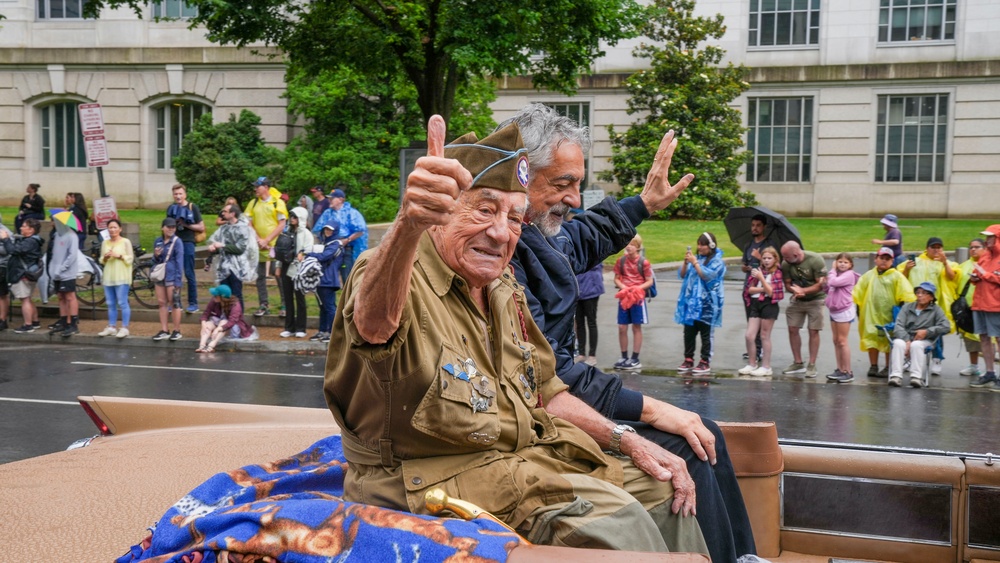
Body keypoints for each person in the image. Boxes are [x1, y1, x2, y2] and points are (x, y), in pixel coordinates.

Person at [325, 118, 708, 556]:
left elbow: (545, 386)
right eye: (484, 210)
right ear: (440, 214)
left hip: (517, 459)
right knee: (618, 522)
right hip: (422, 479)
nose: (501, 232)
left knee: (664, 493)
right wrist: (408, 224)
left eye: (514, 217)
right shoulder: (395, 271)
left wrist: (629, 440)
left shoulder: (501, 286)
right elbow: (373, 325)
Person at [501, 104, 756, 563]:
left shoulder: (536, 233)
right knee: (689, 447)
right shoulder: (500, 254)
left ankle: (742, 557)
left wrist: (643, 204)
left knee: (704, 431)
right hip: (538, 417)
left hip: (553, 399)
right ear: (518, 176)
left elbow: (578, 240)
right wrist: (652, 410)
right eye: (563, 185)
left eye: (578, 184)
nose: (577, 200)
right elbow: (549, 375)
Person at [898, 236, 959, 375]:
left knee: (935, 331)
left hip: (935, 304)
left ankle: (937, 359)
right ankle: (910, 359)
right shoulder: (916, 262)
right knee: (912, 330)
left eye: (939, 247)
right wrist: (907, 269)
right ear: (927, 248)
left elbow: (953, 277)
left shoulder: (946, 263)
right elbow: (901, 278)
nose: (936, 250)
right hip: (915, 303)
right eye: (933, 247)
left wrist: (945, 263)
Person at [853, 246, 915, 379]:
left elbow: (906, 294)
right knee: (871, 338)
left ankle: (888, 366)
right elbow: (858, 293)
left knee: (889, 340)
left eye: (887, 259)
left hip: (889, 314)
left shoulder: (897, 276)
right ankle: (873, 365)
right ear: (876, 259)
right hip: (870, 313)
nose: (884, 261)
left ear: (892, 261)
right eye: (882, 258)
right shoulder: (868, 276)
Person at [676, 232, 727, 376]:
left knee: (706, 334)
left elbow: (707, 276)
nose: (699, 247)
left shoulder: (717, 262)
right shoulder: (696, 259)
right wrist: (686, 263)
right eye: (698, 244)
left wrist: (695, 263)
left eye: (702, 244)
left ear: (711, 245)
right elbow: (682, 275)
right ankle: (688, 358)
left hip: (708, 305)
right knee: (689, 333)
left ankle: (705, 361)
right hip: (691, 303)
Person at [888, 282, 952, 388]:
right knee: (898, 343)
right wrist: (907, 340)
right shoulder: (907, 307)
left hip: (925, 340)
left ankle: (916, 377)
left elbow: (946, 326)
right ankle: (896, 376)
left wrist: (927, 331)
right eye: (918, 292)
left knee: (916, 345)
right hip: (906, 337)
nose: (919, 295)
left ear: (931, 297)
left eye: (924, 293)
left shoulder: (936, 310)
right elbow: (898, 325)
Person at [780, 241, 828, 377]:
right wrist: (795, 291)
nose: (785, 260)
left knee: (813, 331)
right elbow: (787, 283)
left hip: (816, 299)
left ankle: (812, 364)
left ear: (796, 254)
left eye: (787, 257)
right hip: (797, 299)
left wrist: (804, 291)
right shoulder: (786, 264)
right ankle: (798, 362)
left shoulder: (815, 260)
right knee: (792, 328)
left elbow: (821, 285)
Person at [244, 177, 287, 317]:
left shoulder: (277, 203)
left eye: (258, 186)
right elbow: (248, 222)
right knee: (260, 276)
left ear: (266, 187)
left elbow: (282, 224)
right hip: (258, 246)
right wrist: (258, 239)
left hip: (275, 246)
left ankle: (285, 305)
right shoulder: (253, 203)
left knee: (279, 275)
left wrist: (267, 239)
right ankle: (263, 304)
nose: (255, 189)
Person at [738, 246, 783, 377]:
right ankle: (752, 363)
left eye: (769, 258)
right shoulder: (758, 271)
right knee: (749, 335)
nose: (767, 261)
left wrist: (762, 279)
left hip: (769, 305)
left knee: (764, 335)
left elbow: (772, 293)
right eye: (764, 258)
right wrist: (762, 288)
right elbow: (750, 290)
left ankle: (766, 366)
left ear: (775, 259)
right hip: (756, 303)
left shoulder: (777, 272)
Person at [613, 235, 653, 370]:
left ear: (638, 247)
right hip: (624, 297)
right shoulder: (621, 261)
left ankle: (635, 358)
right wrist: (624, 287)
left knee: (636, 327)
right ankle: (624, 356)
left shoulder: (644, 262)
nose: (628, 246)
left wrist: (637, 288)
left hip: (637, 298)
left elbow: (649, 281)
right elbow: (617, 278)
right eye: (627, 243)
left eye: (632, 244)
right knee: (622, 327)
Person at [206, 203, 255, 311]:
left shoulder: (243, 228)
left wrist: (222, 245)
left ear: (232, 214)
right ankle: (226, 319)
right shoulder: (224, 228)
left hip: (237, 267)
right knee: (224, 294)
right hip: (223, 266)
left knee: (236, 294)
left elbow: (240, 249)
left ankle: (238, 321)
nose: (222, 213)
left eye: (225, 211)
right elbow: (218, 243)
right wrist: (213, 247)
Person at [312, 187, 368, 281]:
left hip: (345, 249)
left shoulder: (352, 213)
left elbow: (361, 230)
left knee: (347, 276)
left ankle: (349, 294)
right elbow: (318, 230)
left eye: (332, 198)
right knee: (327, 277)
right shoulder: (327, 213)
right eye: (329, 198)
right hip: (330, 250)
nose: (329, 200)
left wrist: (347, 240)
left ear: (341, 199)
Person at [166, 183, 205, 314]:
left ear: (185, 194)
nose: (178, 196)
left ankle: (193, 303)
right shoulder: (171, 208)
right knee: (175, 274)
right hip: (174, 242)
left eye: (180, 193)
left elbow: (201, 227)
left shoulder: (192, 207)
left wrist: (185, 224)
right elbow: (167, 226)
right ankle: (175, 303)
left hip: (188, 242)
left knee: (189, 273)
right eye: (176, 194)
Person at [969, 225, 1000, 390]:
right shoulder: (985, 256)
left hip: (996, 305)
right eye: (986, 237)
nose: (987, 240)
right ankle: (989, 372)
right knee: (984, 338)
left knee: (999, 339)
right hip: (980, 303)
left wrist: (987, 276)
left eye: (990, 237)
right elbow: (977, 273)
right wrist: (975, 277)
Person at [0, 218, 43, 333]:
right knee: (27, 298)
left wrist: (6, 239)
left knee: (24, 299)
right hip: (27, 272)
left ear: (31, 230)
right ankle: (35, 321)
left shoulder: (30, 242)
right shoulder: (31, 240)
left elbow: (13, 250)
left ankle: (28, 324)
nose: (21, 228)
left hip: (22, 273)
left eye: (24, 226)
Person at [276, 207, 314, 338]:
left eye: (295, 217)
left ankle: (301, 327)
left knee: (300, 298)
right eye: (291, 216)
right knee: (287, 298)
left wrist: (302, 253)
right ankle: (289, 327)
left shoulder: (306, 234)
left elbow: (310, 249)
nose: (292, 219)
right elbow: (280, 249)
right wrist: (278, 265)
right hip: (287, 267)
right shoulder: (287, 232)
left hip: (300, 269)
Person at [741, 214, 772, 363]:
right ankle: (752, 348)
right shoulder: (748, 245)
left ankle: (758, 351)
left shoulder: (769, 245)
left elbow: (773, 266)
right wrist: (745, 267)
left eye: (758, 225)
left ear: (764, 227)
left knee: (760, 322)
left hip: (762, 288)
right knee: (751, 320)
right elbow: (744, 264)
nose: (754, 228)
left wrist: (760, 257)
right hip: (749, 287)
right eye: (753, 225)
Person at [306, 218, 343, 343]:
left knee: (329, 307)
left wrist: (309, 254)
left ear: (335, 231)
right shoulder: (325, 243)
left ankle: (332, 333)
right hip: (320, 279)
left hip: (329, 280)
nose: (327, 231)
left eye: (330, 229)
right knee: (322, 307)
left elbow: (324, 256)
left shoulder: (336, 244)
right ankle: (322, 331)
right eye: (326, 229)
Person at [825, 253, 861, 383]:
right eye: (840, 261)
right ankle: (840, 369)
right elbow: (829, 287)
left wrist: (832, 270)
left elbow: (833, 282)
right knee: (836, 341)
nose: (842, 264)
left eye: (845, 262)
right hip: (834, 309)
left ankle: (848, 371)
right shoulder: (837, 274)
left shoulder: (848, 275)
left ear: (850, 265)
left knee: (842, 341)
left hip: (844, 310)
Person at [97, 218, 133, 339]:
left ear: (120, 229)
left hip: (122, 276)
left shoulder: (125, 242)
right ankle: (111, 326)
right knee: (111, 303)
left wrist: (119, 256)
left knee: (122, 302)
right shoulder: (105, 243)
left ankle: (125, 327)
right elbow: (101, 260)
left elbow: (130, 259)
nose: (112, 230)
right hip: (109, 276)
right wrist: (106, 257)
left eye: (115, 227)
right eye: (110, 228)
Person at [46, 213, 80, 336]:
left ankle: (73, 323)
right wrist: (52, 269)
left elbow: (72, 255)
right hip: (56, 272)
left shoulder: (71, 236)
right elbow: (54, 254)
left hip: (67, 273)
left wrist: (62, 268)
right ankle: (64, 321)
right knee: (61, 296)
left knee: (70, 296)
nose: (52, 223)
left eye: (54, 221)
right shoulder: (57, 235)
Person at [197, 283, 257, 352]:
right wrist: (203, 323)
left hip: (231, 326)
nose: (214, 297)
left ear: (222, 298)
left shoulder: (235, 305)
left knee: (223, 322)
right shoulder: (214, 300)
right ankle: (202, 345)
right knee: (207, 325)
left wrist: (218, 329)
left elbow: (232, 322)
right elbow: (206, 313)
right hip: (218, 321)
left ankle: (211, 345)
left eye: (216, 296)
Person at [151, 217, 184, 341]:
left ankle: (177, 330)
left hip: (172, 275)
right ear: (162, 228)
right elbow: (154, 261)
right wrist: (156, 255)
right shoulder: (158, 241)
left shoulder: (177, 242)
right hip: (160, 275)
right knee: (161, 302)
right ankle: (164, 329)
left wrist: (178, 280)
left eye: (173, 227)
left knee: (174, 302)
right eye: (168, 227)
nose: (171, 229)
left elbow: (179, 262)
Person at [958, 238, 986, 377]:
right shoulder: (963, 266)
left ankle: (990, 369)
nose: (973, 249)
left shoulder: (989, 264)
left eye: (977, 247)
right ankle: (974, 366)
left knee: (988, 339)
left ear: (984, 248)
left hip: (986, 306)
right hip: (968, 308)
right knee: (970, 338)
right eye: (971, 247)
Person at [575, 263, 604, 366]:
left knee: (591, 323)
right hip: (578, 291)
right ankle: (581, 353)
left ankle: (592, 355)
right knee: (579, 323)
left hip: (591, 290)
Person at [0, 213, 12, 332]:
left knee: (2, 294)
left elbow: (9, 249)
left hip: (1, 266)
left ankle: (2, 320)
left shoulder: (3, 231)